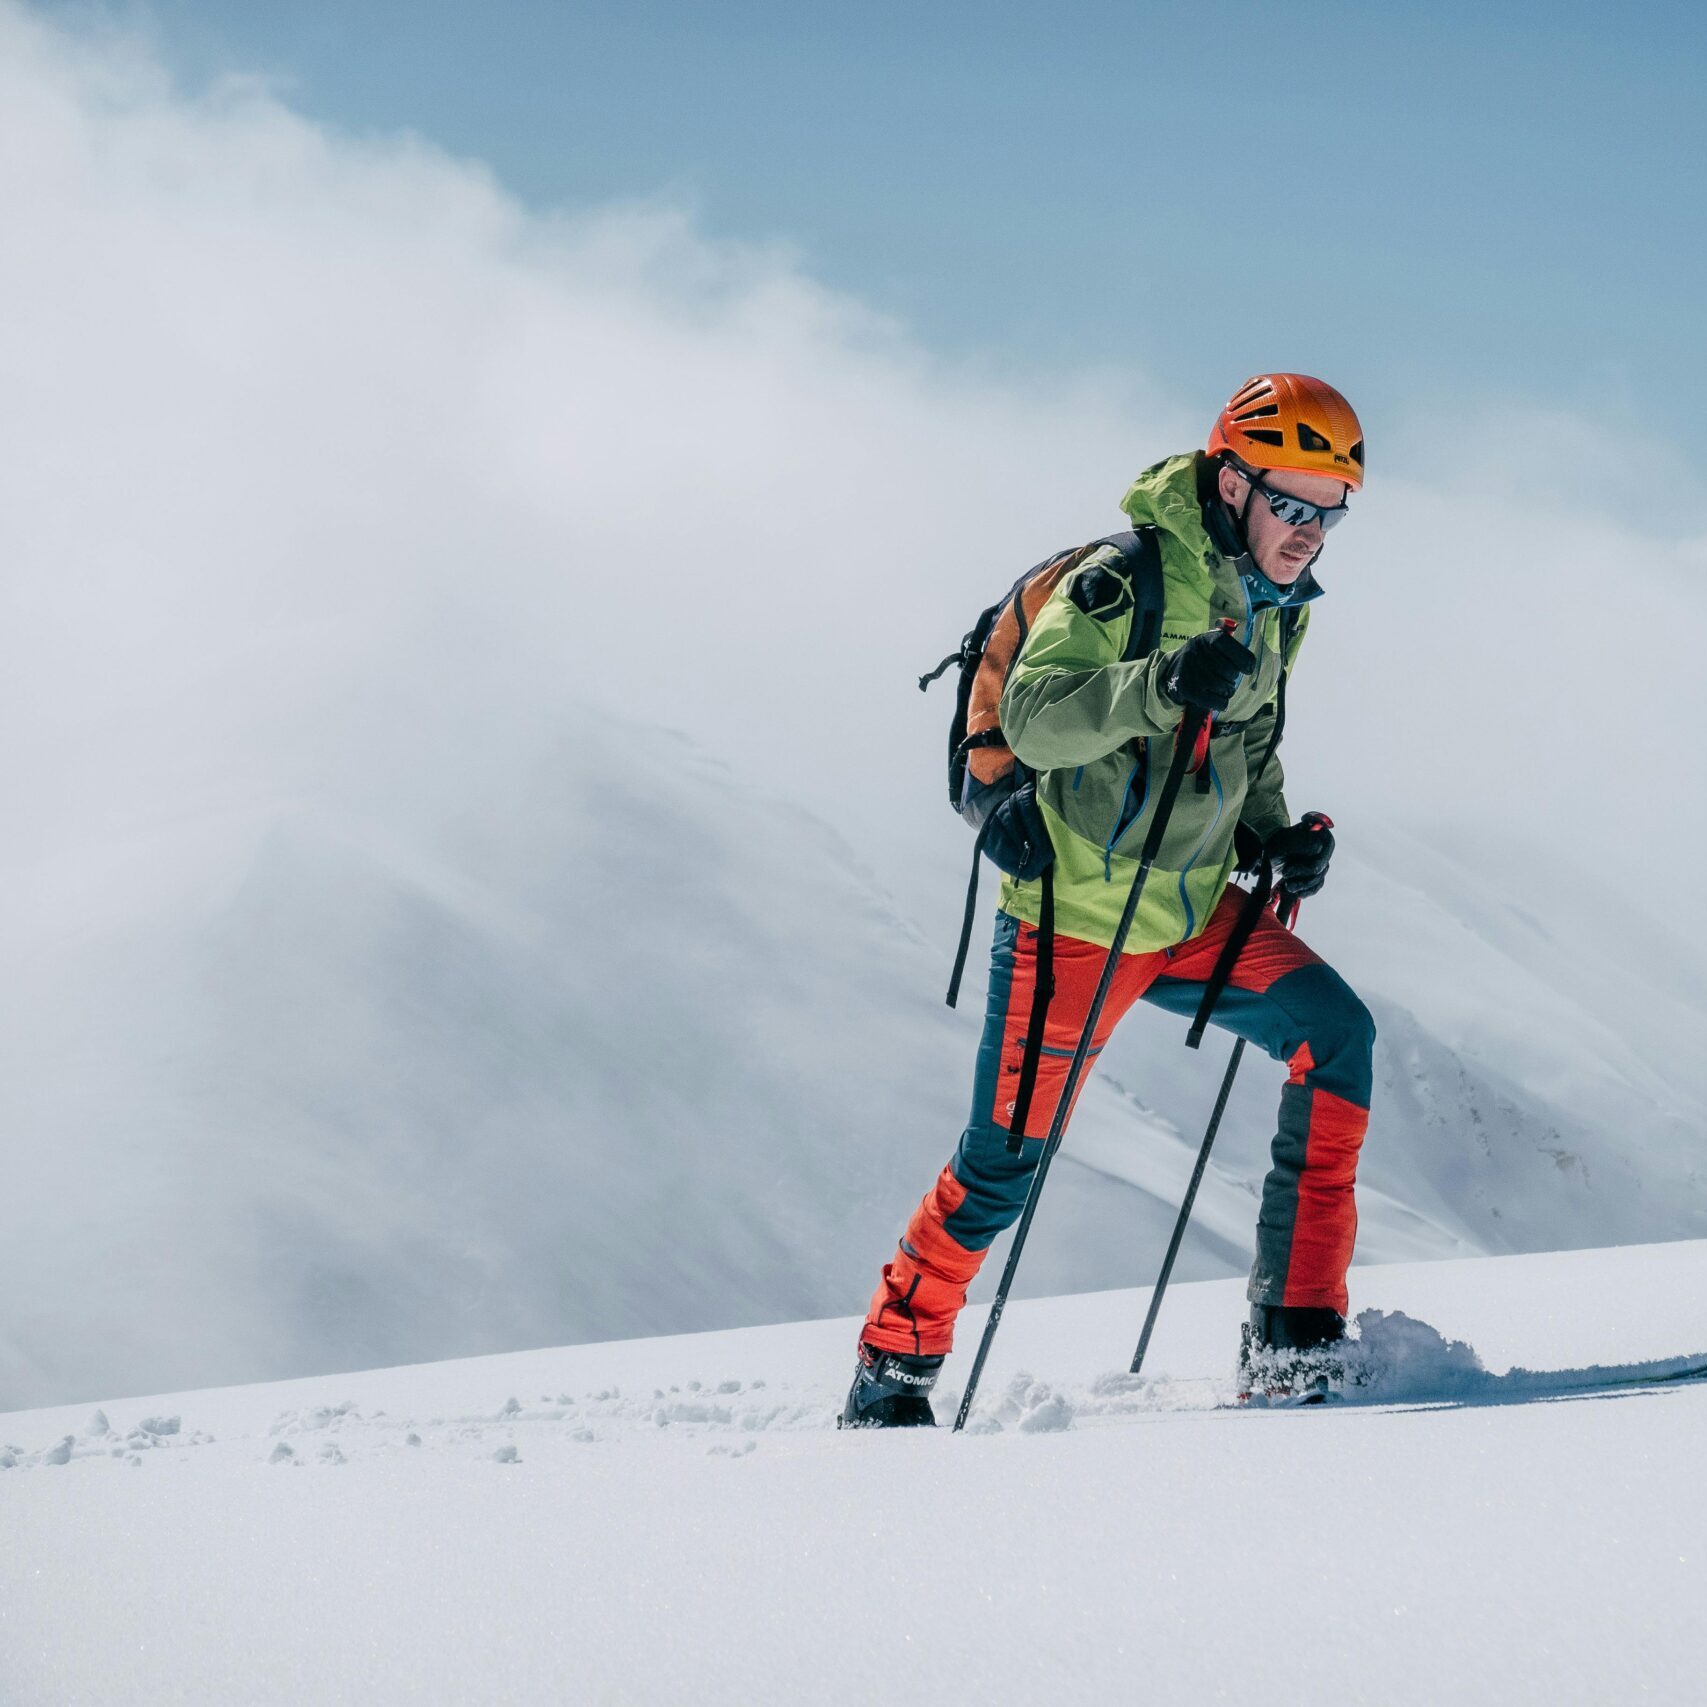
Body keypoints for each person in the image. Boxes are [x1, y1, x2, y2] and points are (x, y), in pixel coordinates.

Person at [843, 373, 1378, 1426]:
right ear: (1232, 484)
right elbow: (1038, 720)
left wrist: (1275, 834)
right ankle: (892, 1369)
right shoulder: (1121, 580)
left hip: (1188, 914)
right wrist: (1161, 682)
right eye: (1292, 502)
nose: (1311, 531)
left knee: (1339, 1038)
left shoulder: (1276, 611)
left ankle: (1294, 1335)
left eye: (1331, 511)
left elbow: (1250, 745)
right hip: (1076, 921)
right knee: (1001, 1168)